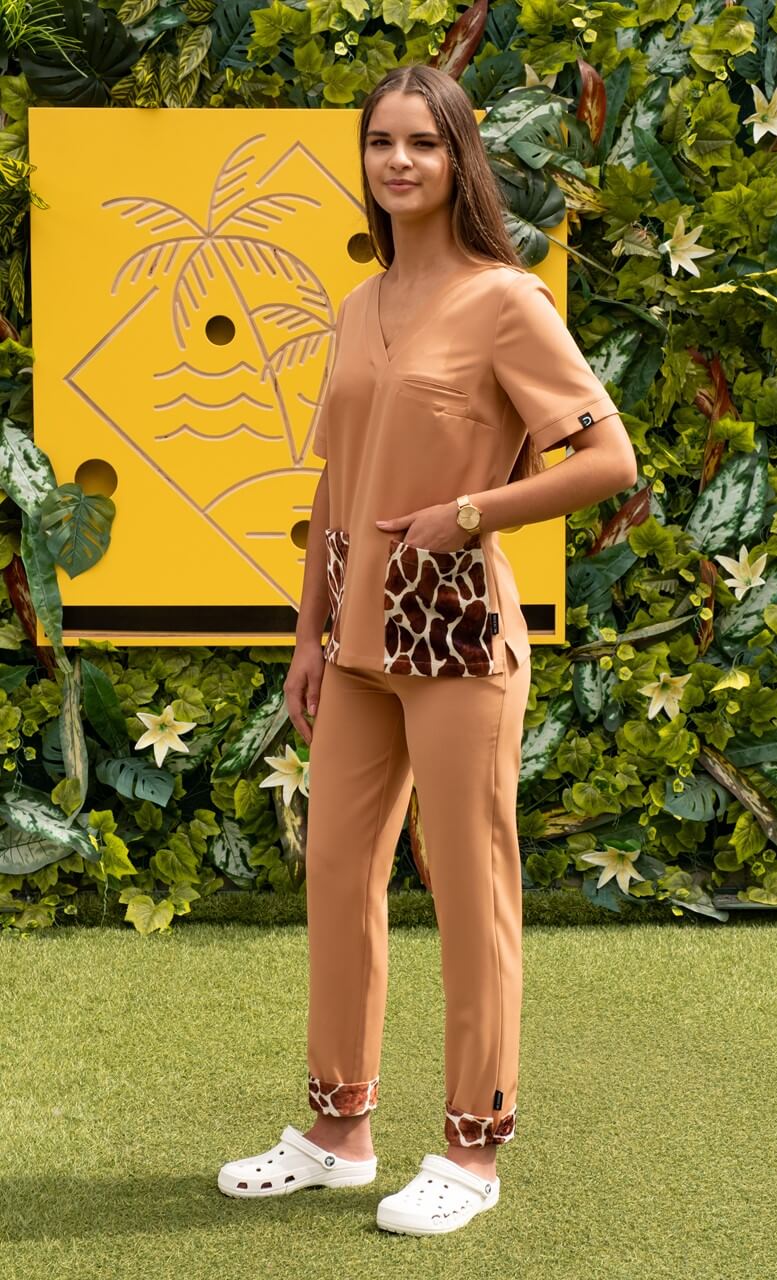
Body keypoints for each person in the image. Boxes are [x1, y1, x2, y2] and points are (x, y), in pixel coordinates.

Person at [218, 63, 637, 1236]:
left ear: (459, 160)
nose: (398, 161)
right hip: (353, 643)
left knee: (469, 886)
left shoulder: (506, 300)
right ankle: (337, 1130)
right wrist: (305, 635)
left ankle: (470, 1147)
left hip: (457, 639)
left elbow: (608, 460)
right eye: (380, 142)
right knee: (335, 875)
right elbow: (332, 485)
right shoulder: (360, 305)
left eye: (423, 142)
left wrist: (470, 512)